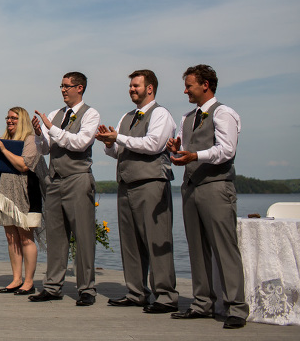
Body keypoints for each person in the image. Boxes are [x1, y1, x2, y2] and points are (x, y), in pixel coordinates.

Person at [166, 65, 248, 329]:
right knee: (197, 248)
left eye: (189, 85)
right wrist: (177, 149)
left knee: (224, 248)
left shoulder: (223, 113)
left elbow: (226, 150)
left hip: (216, 186)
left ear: (205, 85)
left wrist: (195, 155)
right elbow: (184, 149)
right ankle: (202, 302)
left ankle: (236, 307)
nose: (185, 91)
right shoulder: (187, 117)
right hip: (190, 186)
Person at [95, 70, 178, 313]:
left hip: (151, 183)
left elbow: (154, 145)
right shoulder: (127, 116)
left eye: (136, 86)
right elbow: (120, 151)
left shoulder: (160, 114)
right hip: (126, 184)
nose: (131, 89)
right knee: (129, 242)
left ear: (150, 88)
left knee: (156, 240)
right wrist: (109, 143)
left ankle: (166, 296)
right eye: (130, 86)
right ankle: (136, 292)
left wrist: (118, 137)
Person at [29, 72, 100, 306]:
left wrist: (52, 128)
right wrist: (39, 134)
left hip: (78, 178)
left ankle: (86, 288)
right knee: (56, 237)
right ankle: (52, 286)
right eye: (61, 86)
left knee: (83, 236)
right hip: (55, 180)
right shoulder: (54, 114)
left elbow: (80, 143)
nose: (63, 90)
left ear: (80, 88)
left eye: (67, 86)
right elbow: (45, 149)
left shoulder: (91, 114)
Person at [0, 107, 45, 296]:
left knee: (26, 238)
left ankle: (29, 282)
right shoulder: (3, 140)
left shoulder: (31, 140)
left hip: (26, 195)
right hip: (6, 197)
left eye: (14, 118)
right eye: (8, 117)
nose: (9, 121)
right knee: (11, 238)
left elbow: (24, 165)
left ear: (23, 120)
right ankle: (16, 279)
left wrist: (4, 150)